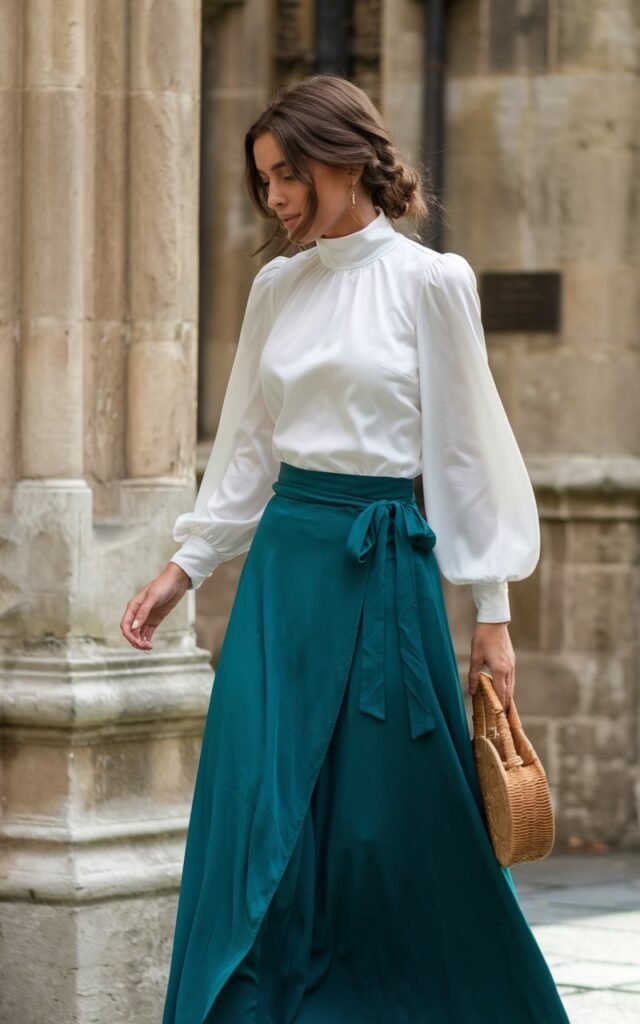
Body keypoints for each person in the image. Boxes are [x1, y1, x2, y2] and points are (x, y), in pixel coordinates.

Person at [121, 75, 571, 1024]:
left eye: (290, 175)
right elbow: (246, 445)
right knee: (254, 800)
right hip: (286, 573)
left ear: (348, 158)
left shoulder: (430, 282)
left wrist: (492, 614)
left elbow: (461, 454)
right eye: (265, 181)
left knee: (389, 818)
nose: (277, 198)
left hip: (386, 576)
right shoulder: (278, 286)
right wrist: (185, 567)